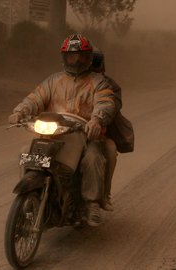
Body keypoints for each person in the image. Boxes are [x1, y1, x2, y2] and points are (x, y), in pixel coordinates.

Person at [8, 34, 117, 226]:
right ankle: (30, 194)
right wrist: (19, 111)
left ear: (89, 57)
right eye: (71, 56)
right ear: (64, 57)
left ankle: (92, 203)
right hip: (53, 132)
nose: (76, 60)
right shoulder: (53, 81)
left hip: (83, 133)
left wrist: (96, 120)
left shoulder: (98, 82)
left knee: (93, 158)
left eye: (80, 56)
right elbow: (35, 98)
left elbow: (105, 102)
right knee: (25, 151)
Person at [90, 49, 134, 212]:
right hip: (69, 130)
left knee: (110, 149)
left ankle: (104, 194)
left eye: (95, 64)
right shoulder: (70, 81)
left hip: (99, 132)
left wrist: (99, 118)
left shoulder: (109, 85)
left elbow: (112, 105)